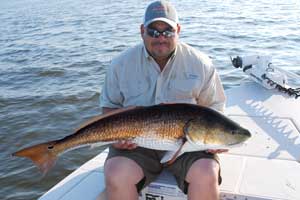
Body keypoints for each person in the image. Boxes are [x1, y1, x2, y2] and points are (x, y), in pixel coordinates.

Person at [99, 1, 227, 200]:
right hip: (136, 145)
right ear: (142, 31)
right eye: (153, 31)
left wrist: (217, 139)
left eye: (167, 31)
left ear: (178, 30)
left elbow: (214, 108)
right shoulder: (120, 64)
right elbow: (109, 107)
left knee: (206, 171)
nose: (161, 38)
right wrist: (118, 139)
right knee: (116, 173)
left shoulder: (201, 64)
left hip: (187, 145)